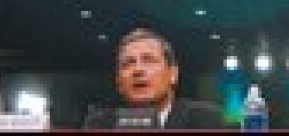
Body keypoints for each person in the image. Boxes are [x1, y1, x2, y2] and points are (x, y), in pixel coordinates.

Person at [83, 27, 227, 129]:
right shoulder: (100, 125)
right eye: (128, 63)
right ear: (118, 82)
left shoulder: (211, 121)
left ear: (173, 74)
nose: (137, 70)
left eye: (149, 60)